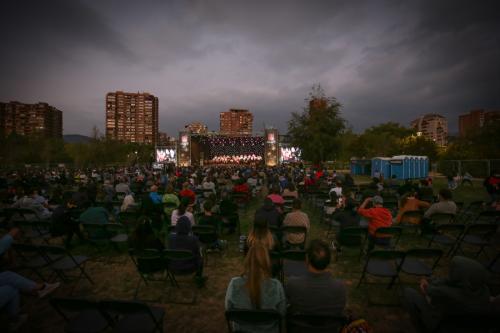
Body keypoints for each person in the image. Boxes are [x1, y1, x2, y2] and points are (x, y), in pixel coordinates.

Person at [402, 256, 495, 333]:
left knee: (409, 292)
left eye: (454, 270)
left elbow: (427, 290)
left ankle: (420, 327)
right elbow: (447, 280)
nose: (451, 271)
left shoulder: (446, 292)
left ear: (460, 273)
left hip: (438, 324)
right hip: (465, 326)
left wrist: (425, 284)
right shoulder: (484, 290)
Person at [225, 243, 286, 333]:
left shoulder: (234, 284)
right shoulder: (276, 285)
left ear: (247, 260)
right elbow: (282, 313)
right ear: (266, 261)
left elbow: (228, 309)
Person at [286, 239, 346, 316]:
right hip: (329, 327)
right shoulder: (340, 288)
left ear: (307, 259)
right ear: (328, 261)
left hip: (299, 327)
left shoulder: (293, 284)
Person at [167, 216, 206, 287]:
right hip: (190, 268)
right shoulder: (193, 239)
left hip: (173, 267)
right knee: (201, 257)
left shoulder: (170, 237)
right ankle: (198, 278)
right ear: (189, 226)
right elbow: (198, 254)